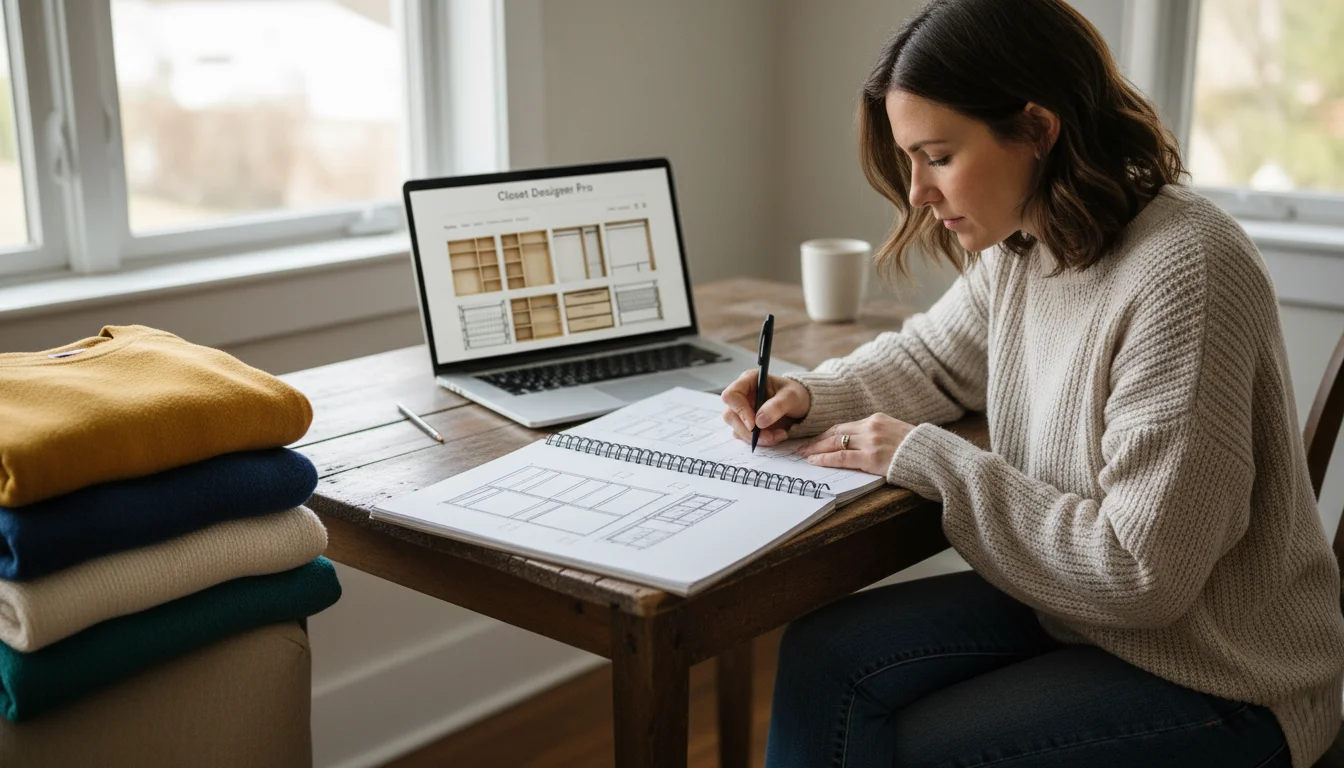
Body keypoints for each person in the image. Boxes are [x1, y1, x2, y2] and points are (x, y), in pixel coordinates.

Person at [720, 1, 1344, 765]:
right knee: (821, 654)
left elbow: (1141, 576)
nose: (916, 192)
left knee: (910, 749)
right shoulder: (1026, 243)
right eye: (910, 158)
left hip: (1224, 673)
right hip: (1076, 617)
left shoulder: (1187, 270)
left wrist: (929, 458)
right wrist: (811, 395)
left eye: (939, 157)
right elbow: (931, 360)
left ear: (1038, 130)